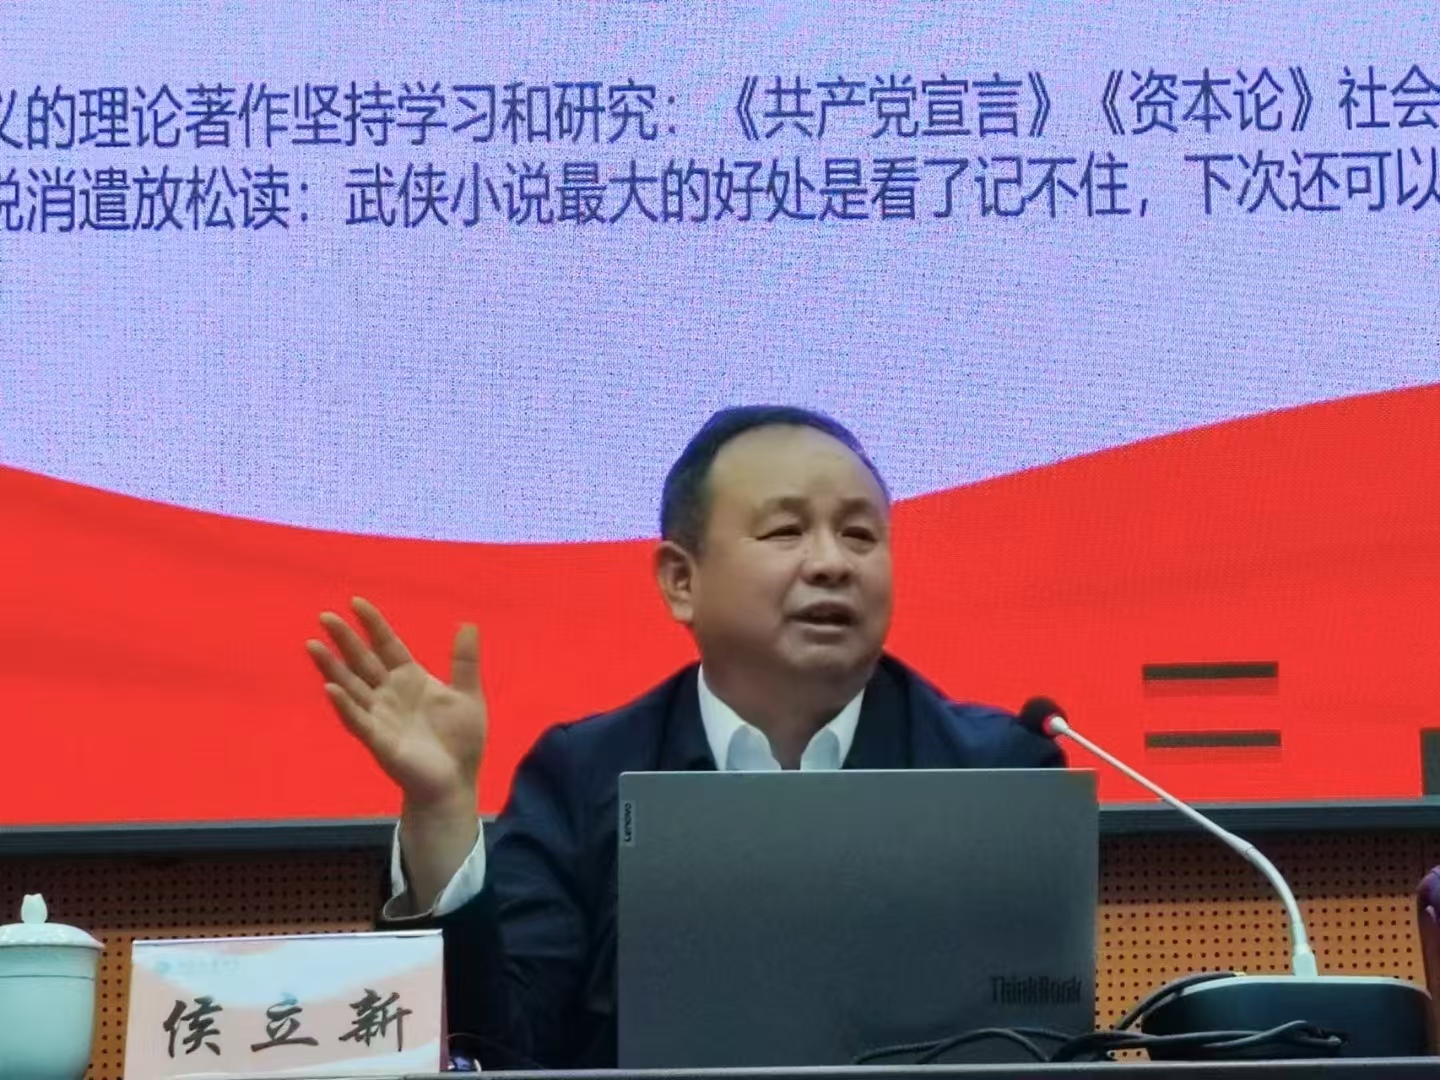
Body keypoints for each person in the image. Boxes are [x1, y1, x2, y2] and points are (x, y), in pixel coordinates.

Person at [305, 405, 1063, 1069]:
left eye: (860, 535)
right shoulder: (583, 778)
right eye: (786, 530)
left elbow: (1041, 1050)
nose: (832, 563)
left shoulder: (997, 771)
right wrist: (441, 812)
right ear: (680, 581)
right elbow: (502, 1052)